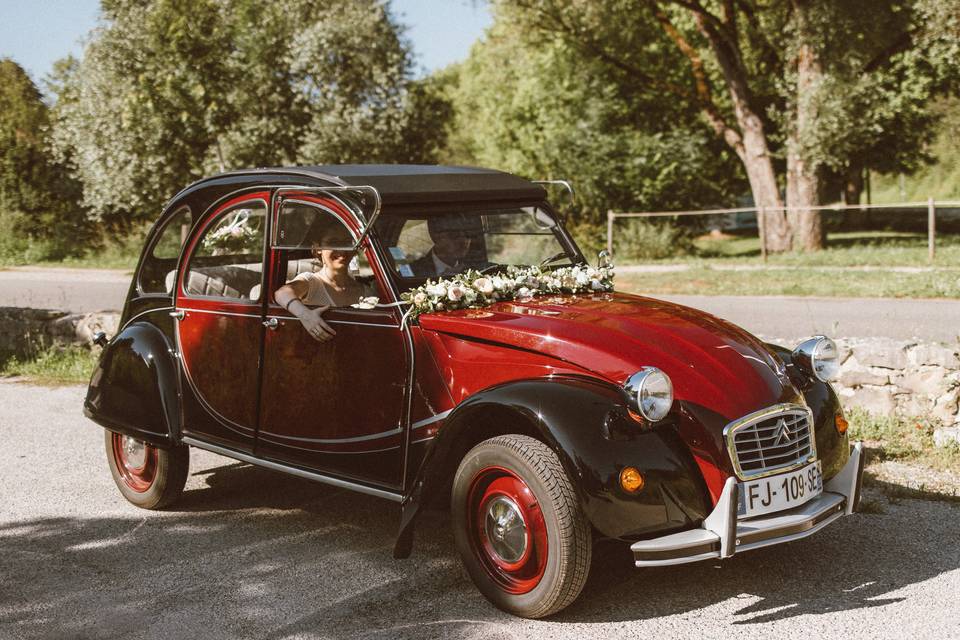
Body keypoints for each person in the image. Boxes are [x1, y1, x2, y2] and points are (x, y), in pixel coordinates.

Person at [274, 224, 376, 342]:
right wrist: (306, 316)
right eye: (333, 242)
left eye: (347, 242)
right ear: (318, 248)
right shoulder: (312, 282)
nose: (342, 250)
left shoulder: (366, 291)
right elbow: (281, 293)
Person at [409, 214, 485, 277]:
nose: (463, 241)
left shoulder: (480, 271)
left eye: (468, 235)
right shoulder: (412, 273)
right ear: (434, 235)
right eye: (454, 235)